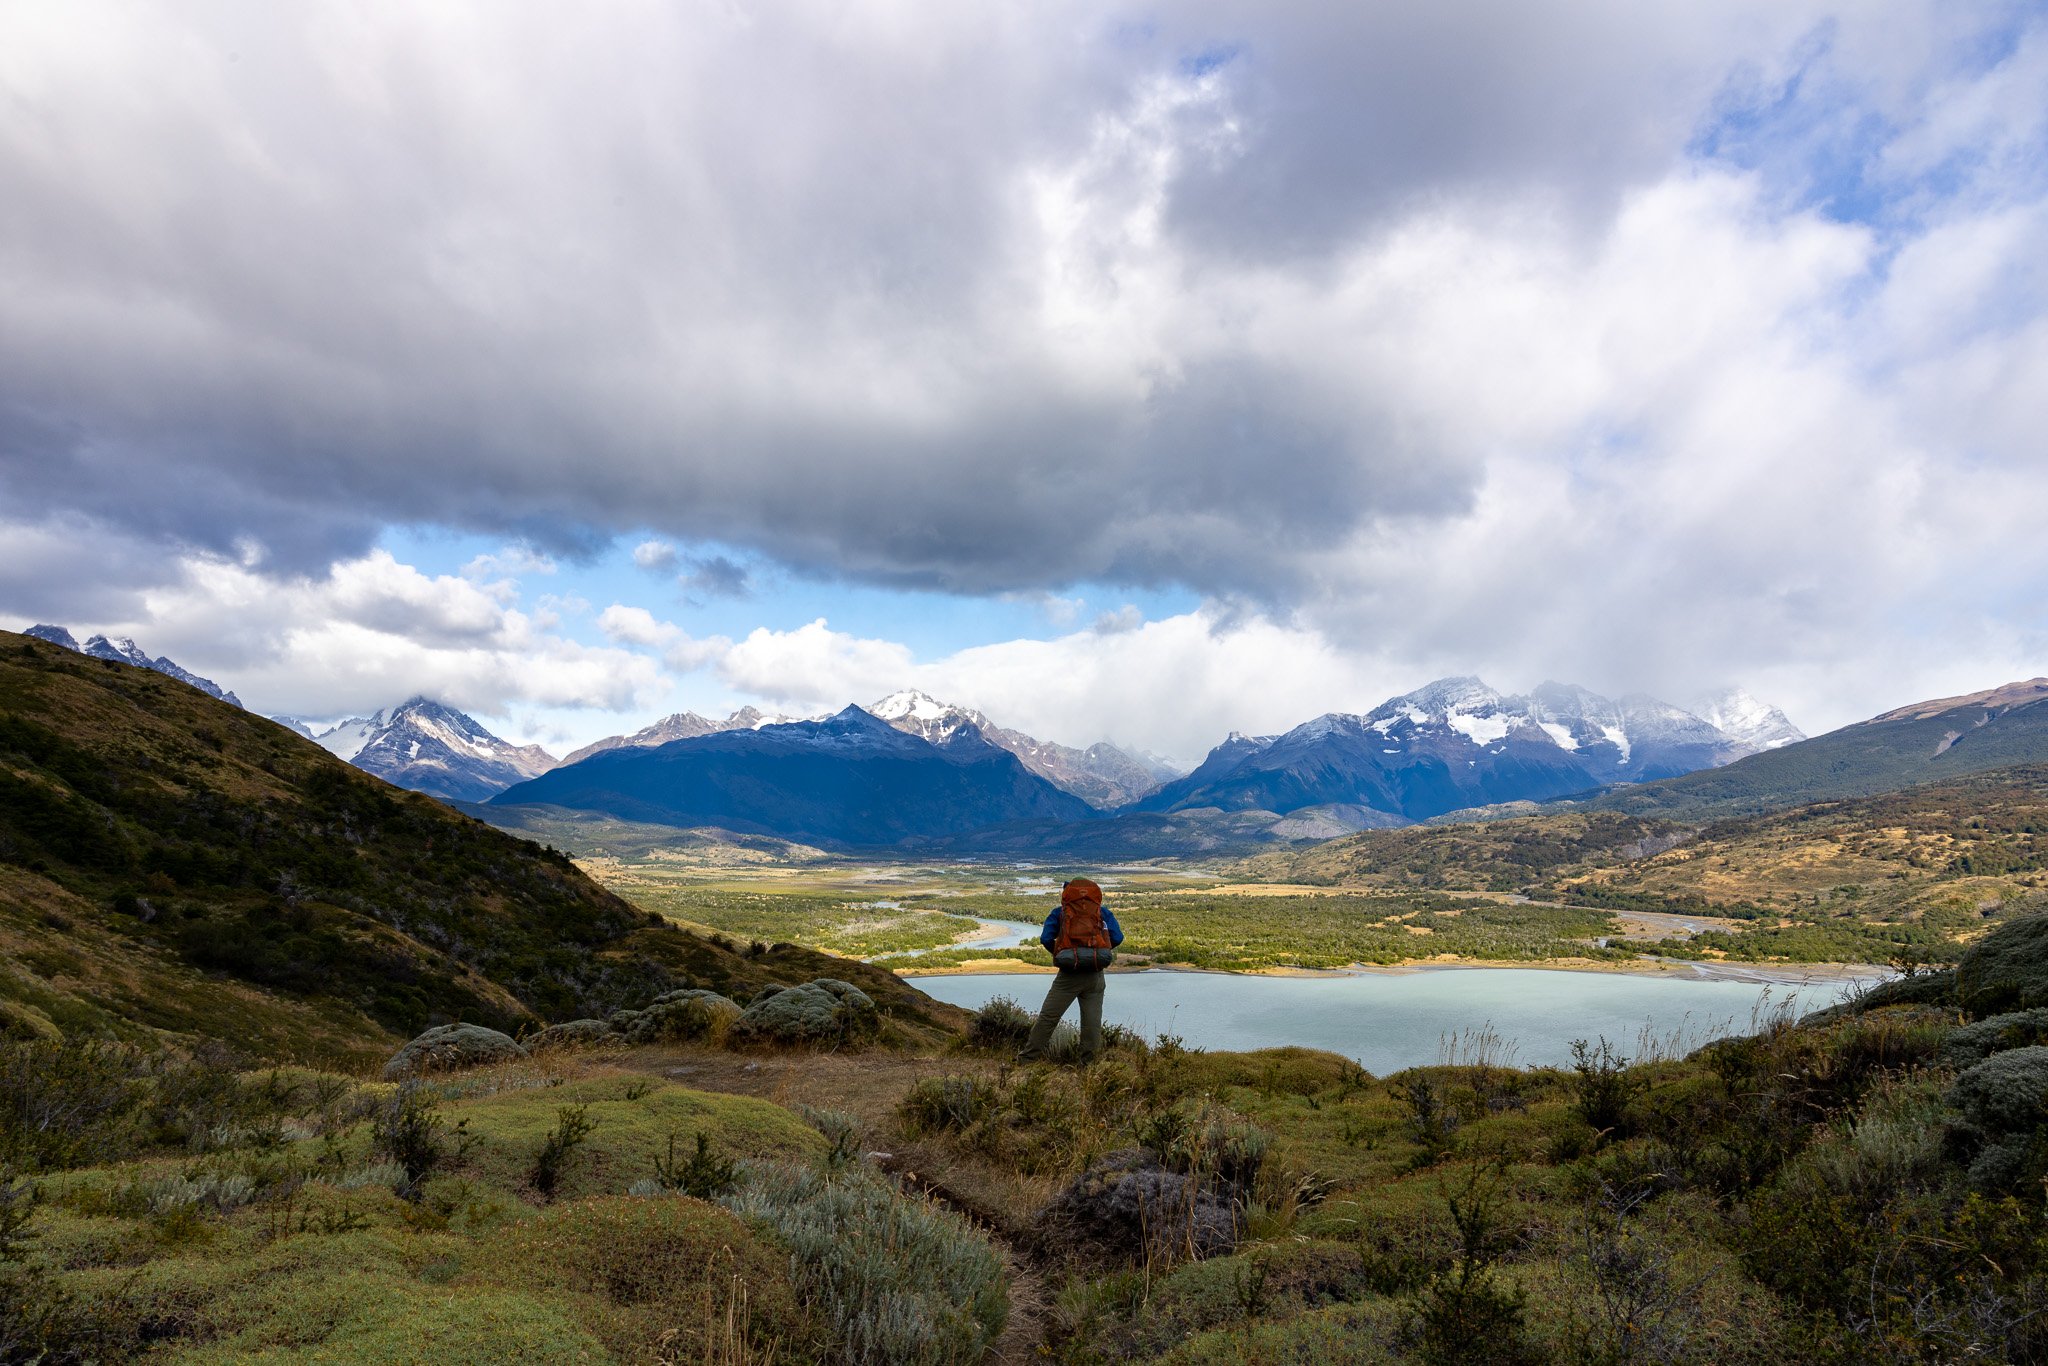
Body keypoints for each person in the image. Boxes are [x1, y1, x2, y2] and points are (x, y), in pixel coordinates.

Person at [1018, 876, 1124, 1064]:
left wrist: (1063, 954)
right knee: (1091, 1024)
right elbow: (1117, 937)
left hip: (1068, 976)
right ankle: (1087, 1066)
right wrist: (1095, 955)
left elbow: (1045, 939)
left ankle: (1027, 1060)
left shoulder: (1059, 913)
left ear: (1067, 894)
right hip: (1095, 975)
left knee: (1048, 1017)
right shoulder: (1102, 913)